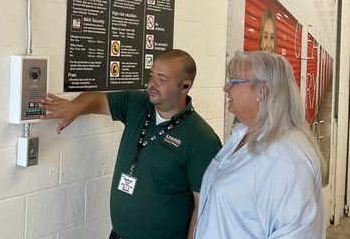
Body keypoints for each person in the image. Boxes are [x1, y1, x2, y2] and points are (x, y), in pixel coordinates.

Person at [40, 49, 222, 239]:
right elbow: (98, 100)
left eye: (162, 79)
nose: (152, 84)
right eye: (151, 75)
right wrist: (75, 107)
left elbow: (203, 207)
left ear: (185, 86)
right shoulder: (138, 103)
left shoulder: (201, 139)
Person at [195, 51, 325, 239]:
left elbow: (296, 233)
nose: (225, 88)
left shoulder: (286, 158)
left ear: (262, 90)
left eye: (234, 81)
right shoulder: (241, 134)